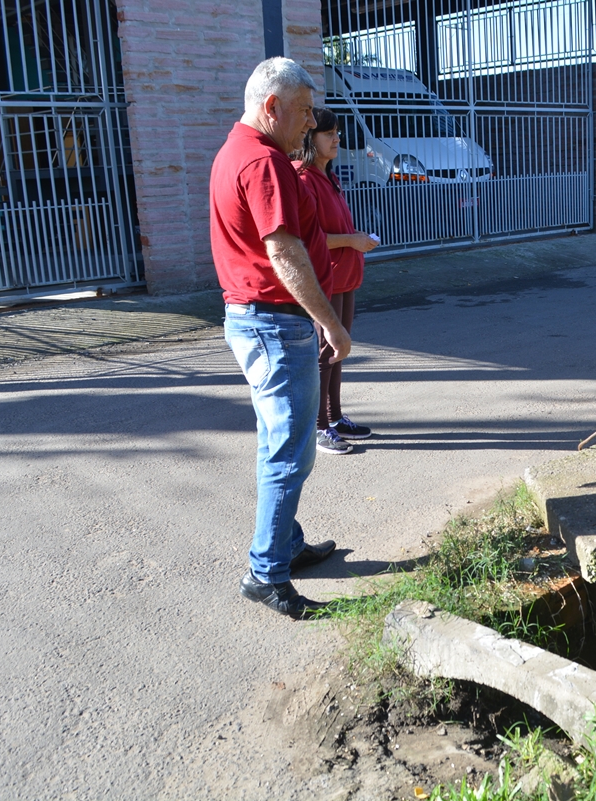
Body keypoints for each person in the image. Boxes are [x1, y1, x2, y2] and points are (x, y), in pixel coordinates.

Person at [209, 57, 352, 619]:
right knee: (290, 453)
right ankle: (267, 574)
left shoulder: (235, 151)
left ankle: (286, 545)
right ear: (272, 107)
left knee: (278, 442)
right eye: (305, 111)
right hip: (273, 323)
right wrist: (330, 321)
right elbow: (284, 252)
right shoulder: (264, 161)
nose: (311, 122)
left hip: (255, 319)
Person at [294, 107, 379, 455]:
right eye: (328, 133)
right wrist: (352, 241)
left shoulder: (328, 176)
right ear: (310, 139)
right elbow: (308, 238)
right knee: (324, 352)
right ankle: (318, 427)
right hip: (324, 279)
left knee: (338, 349)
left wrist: (356, 239)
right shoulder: (303, 179)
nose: (337, 139)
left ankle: (335, 417)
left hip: (343, 276)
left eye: (337, 132)